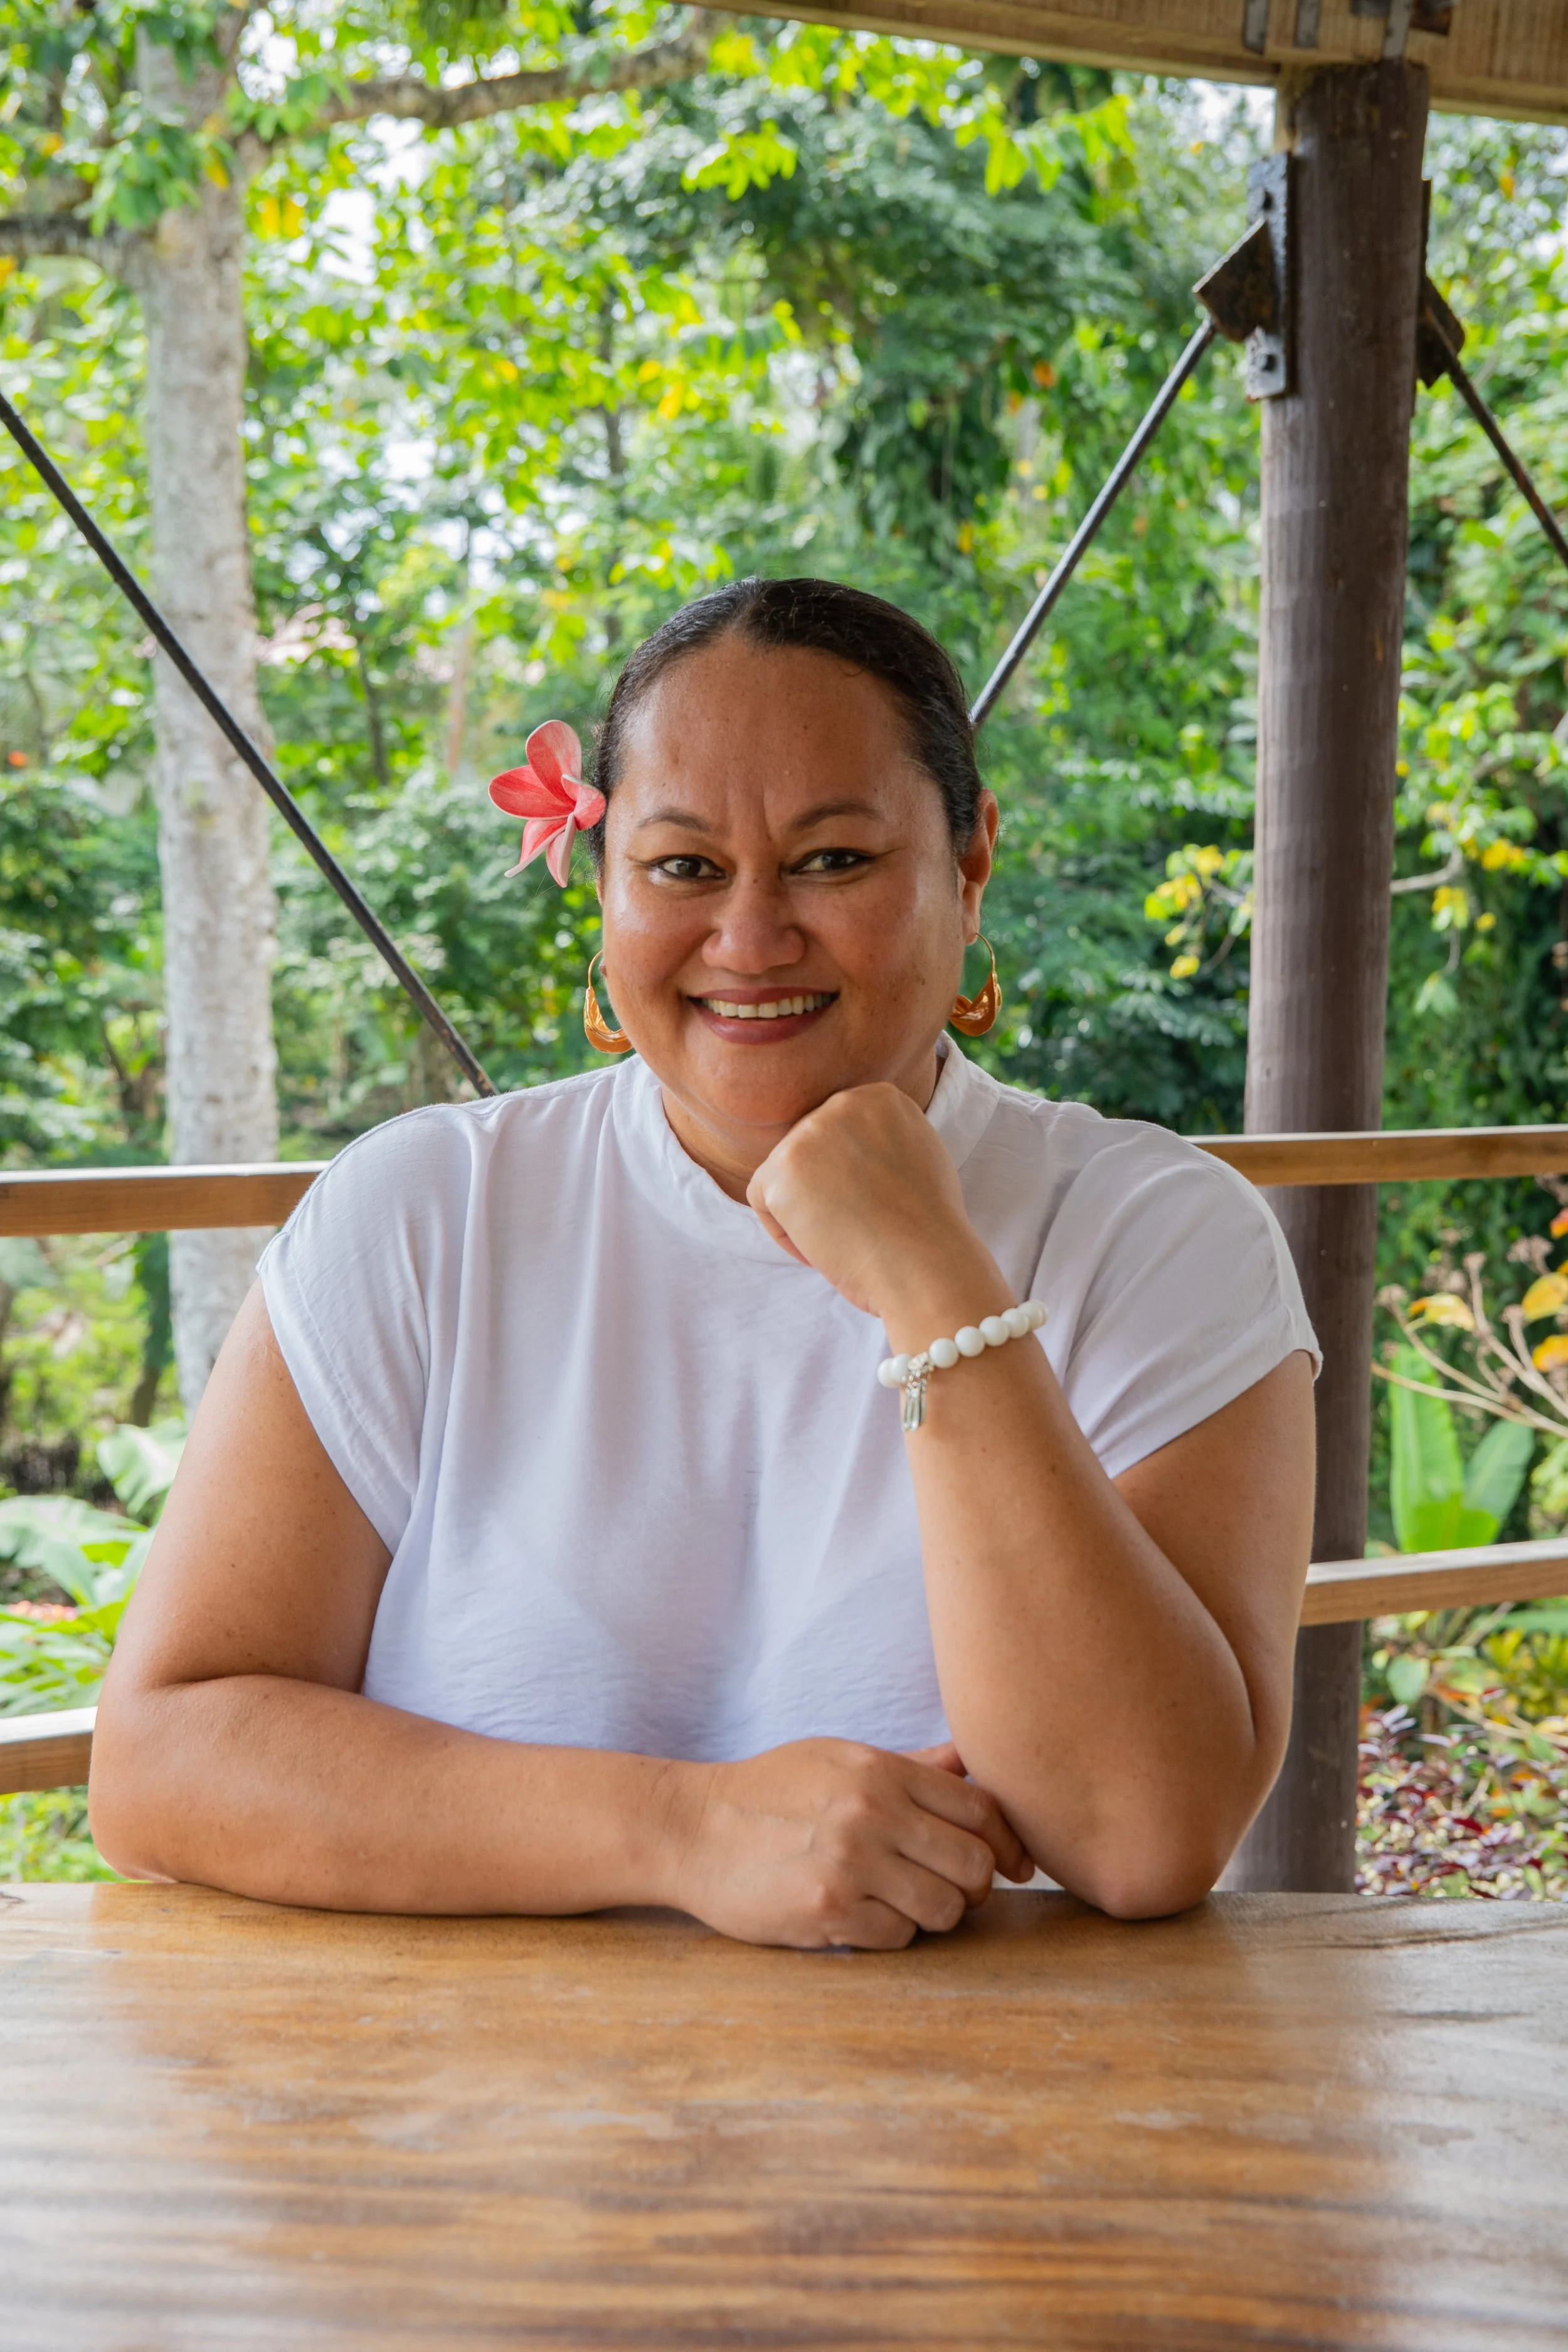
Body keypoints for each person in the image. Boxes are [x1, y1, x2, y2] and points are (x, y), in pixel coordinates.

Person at [90, 577, 1318, 1948]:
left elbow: (1143, 1831)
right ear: (605, 882)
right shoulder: (426, 1212)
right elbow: (163, 1762)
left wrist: (933, 1283)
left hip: (980, 2131)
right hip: (466, 2128)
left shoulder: (1157, 1234)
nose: (749, 940)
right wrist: (686, 1829)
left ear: (968, 864)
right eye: (683, 868)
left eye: (832, 861)